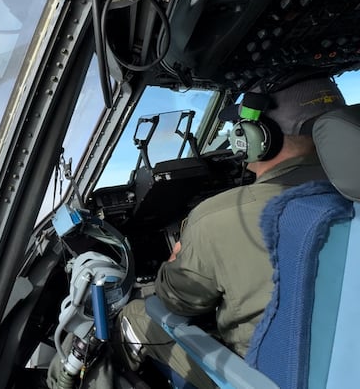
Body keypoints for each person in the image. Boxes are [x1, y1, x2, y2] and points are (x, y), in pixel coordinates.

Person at [115, 72, 346, 389]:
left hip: (270, 378)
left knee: (137, 314)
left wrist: (172, 266)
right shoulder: (351, 191)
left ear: (258, 136)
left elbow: (177, 303)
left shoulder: (219, 217)